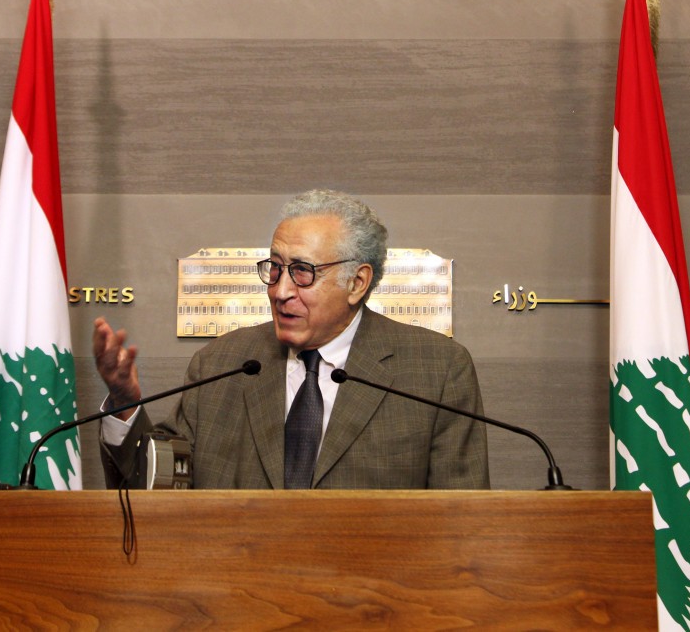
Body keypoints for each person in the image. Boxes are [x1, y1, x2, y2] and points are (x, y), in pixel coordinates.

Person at [94, 189, 489, 489]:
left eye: (302, 271)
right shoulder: (221, 364)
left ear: (357, 282)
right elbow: (162, 489)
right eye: (275, 268)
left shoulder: (436, 371)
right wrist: (126, 406)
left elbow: (461, 521)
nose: (280, 291)